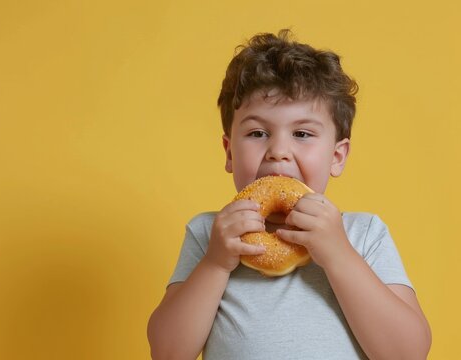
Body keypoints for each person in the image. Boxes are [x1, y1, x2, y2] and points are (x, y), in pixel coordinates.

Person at [147, 29, 431, 360]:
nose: (278, 151)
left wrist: (339, 254)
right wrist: (215, 264)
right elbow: (167, 352)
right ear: (229, 152)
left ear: (336, 156)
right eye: (257, 133)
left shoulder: (362, 234)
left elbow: (409, 353)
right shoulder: (212, 234)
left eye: (302, 133)